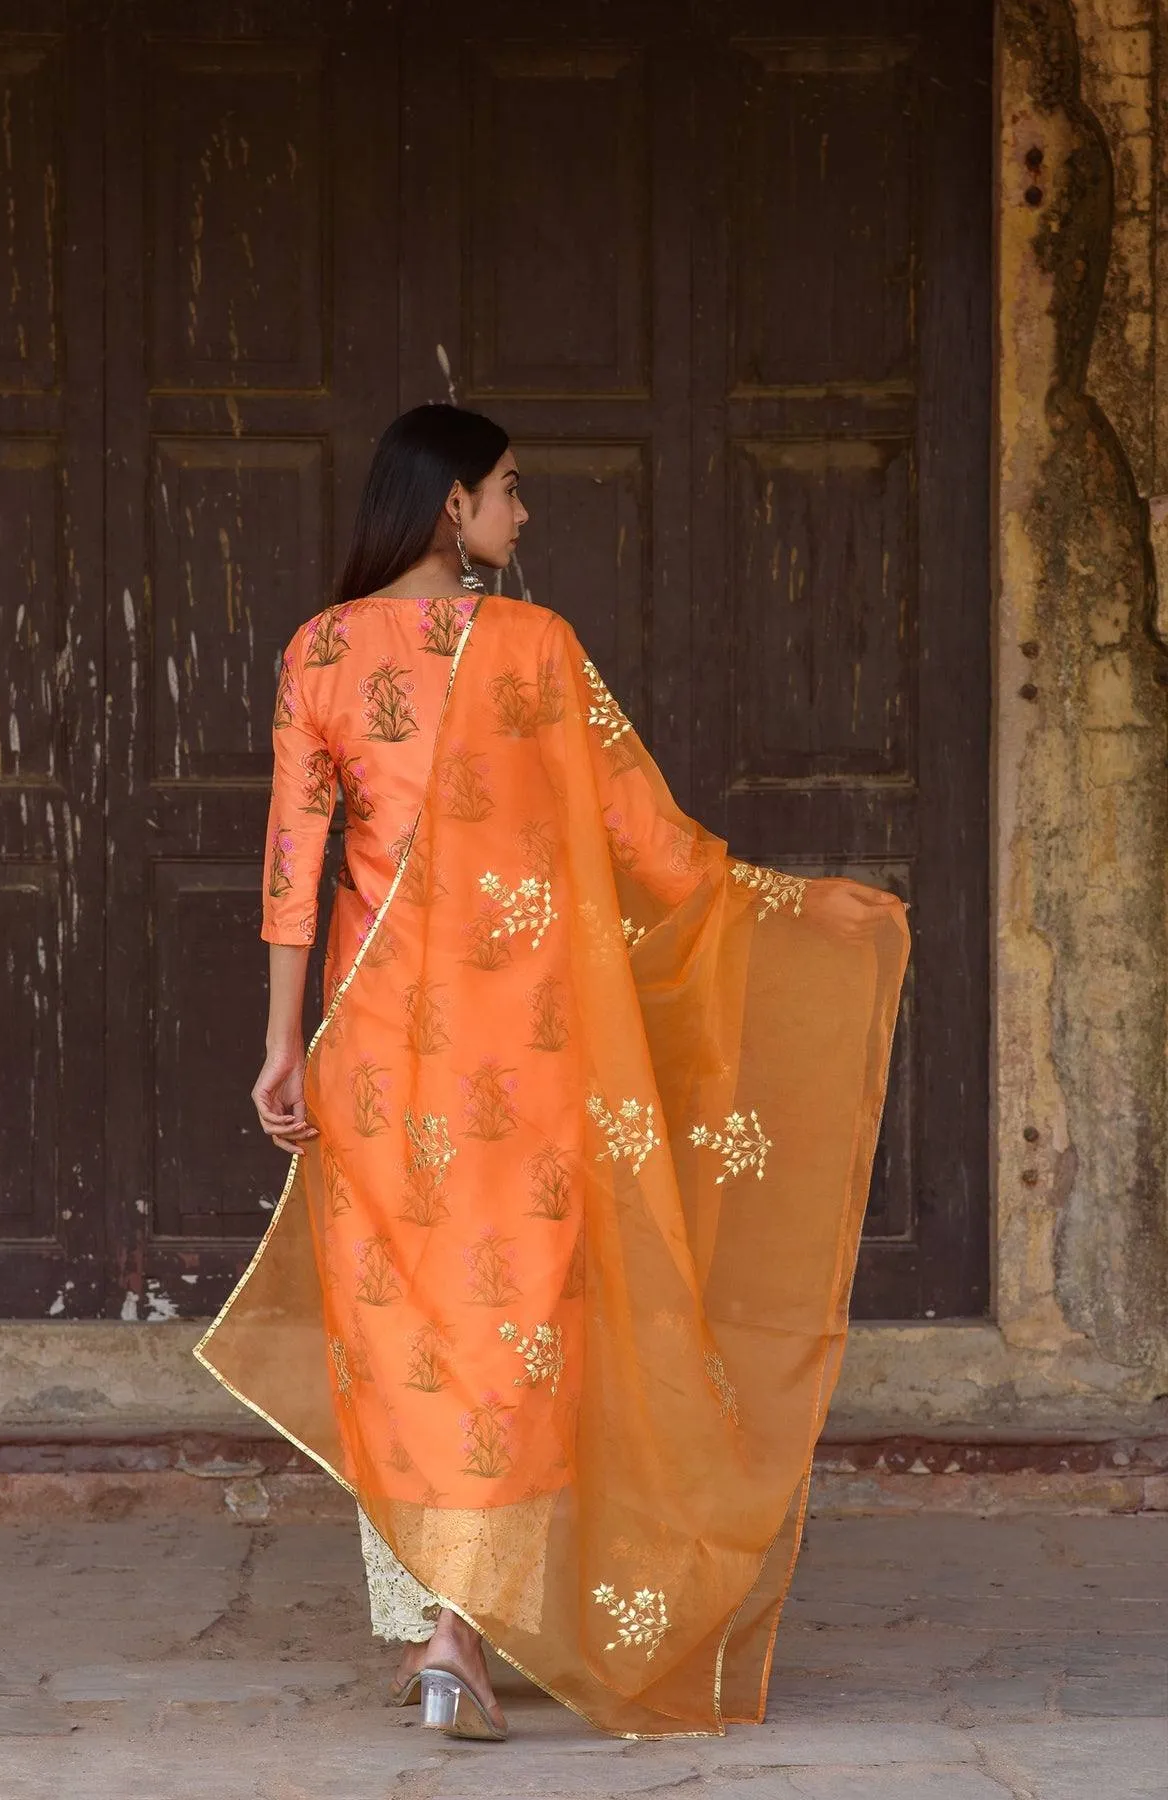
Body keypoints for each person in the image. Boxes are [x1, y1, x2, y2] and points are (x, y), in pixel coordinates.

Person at [194, 404, 909, 1741]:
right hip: (526, 1057)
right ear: (452, 505)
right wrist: (791, 912)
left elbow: (293, 864)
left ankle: (447, 1631)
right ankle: (466, 1630)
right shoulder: (537, 649)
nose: (524, 519)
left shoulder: (319, 652)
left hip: (368, 1052)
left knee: (406, 1328)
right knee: (513, 1327)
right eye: (511, 494)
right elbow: (655, 850)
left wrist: (281, 1045)